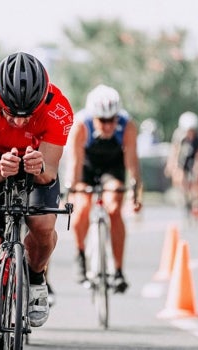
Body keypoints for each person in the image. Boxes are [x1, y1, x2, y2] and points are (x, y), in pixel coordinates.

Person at [0, 52, 73, 350]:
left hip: (36, 163)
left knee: (43, 224)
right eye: (11, 111)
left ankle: (36, 277)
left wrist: (38, 168)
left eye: (28, 113)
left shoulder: (59, 109)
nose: (20, 120)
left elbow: (49, 174)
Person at [65, 84, 143, 294]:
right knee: (81, 207)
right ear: (93, 117)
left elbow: (132, 163)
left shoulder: (127, 126)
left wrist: (135, 194)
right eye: (103, 121)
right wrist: (71, 192)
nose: (108, 126)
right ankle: (80, 254)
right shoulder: (81, 124)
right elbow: (74, 163)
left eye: (112, 120)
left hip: (112, 168)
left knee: (114, 208)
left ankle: (117, 271)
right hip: (87, 167)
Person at [164, 111, 198, 217]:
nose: (191, 133)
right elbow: (174, 151)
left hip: (194, 159)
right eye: (189, 131)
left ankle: (197, 202)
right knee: (180, 178)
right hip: (182, 159)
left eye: (193, 131)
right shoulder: (179, 136)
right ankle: (185, 197)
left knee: (197, 178)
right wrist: (172, 165)